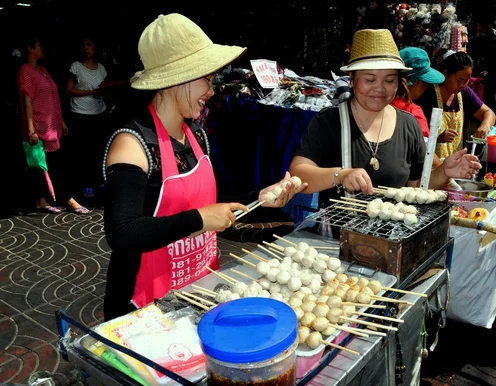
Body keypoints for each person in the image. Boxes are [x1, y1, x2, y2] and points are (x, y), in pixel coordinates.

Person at [102, 14, 306, 320]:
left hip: (196, 292)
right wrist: (198, 219)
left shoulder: (196, 136)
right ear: (177, 79)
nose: (212, 90)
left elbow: (213, 203)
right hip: (142, 310)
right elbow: (121, 233)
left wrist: (261, 199)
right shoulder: (132, 144)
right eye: (207, 79)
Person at [289, 29, 481, 211]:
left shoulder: (408, 125)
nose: (380, 89)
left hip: (395, 239)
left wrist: (444, 172)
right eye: (370, 80)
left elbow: (416, 187)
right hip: (338, 241)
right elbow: (298, 174)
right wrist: (340, 175)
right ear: (351, 78)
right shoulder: (328, 122)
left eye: (389, 80)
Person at [17, 36, 89, 214]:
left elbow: (53, 97)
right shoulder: (25, 71)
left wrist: (61, 120)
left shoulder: (43, 70)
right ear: (30, 48)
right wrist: (31, 129)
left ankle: (50, 199)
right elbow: (27, 100)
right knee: (43, 164)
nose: (42, 48)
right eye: (39, 45)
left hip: (52, 125)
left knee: (54, 163)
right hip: (39, 126)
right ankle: (60, 199)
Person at [416, 50, 496, 159]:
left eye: (466, 81)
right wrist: (438, 137)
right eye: (459, 80)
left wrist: (485, 124)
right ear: (445, 73)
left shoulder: (464, 93)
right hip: (429, 163)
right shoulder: (428, 93)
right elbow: (417, 139)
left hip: (455, 164)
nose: (463, 85)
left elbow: (488, 113)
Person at [66, 36, 109, 195]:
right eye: (83, 45)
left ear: (95, 47)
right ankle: (82, 186)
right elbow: (69, 90)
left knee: (97, 150)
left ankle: (97, 184)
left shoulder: (101, 69)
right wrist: (92, 92)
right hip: (80, 113)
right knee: (82, 151)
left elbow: (105, 87)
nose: (86, 48)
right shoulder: (76, 67)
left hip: (98, 112)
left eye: (89, 44)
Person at [392, 47, 445, 169]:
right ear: (418, 83)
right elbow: (426, 154)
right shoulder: (413, 112)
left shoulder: (380, 105)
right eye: (426, 84)